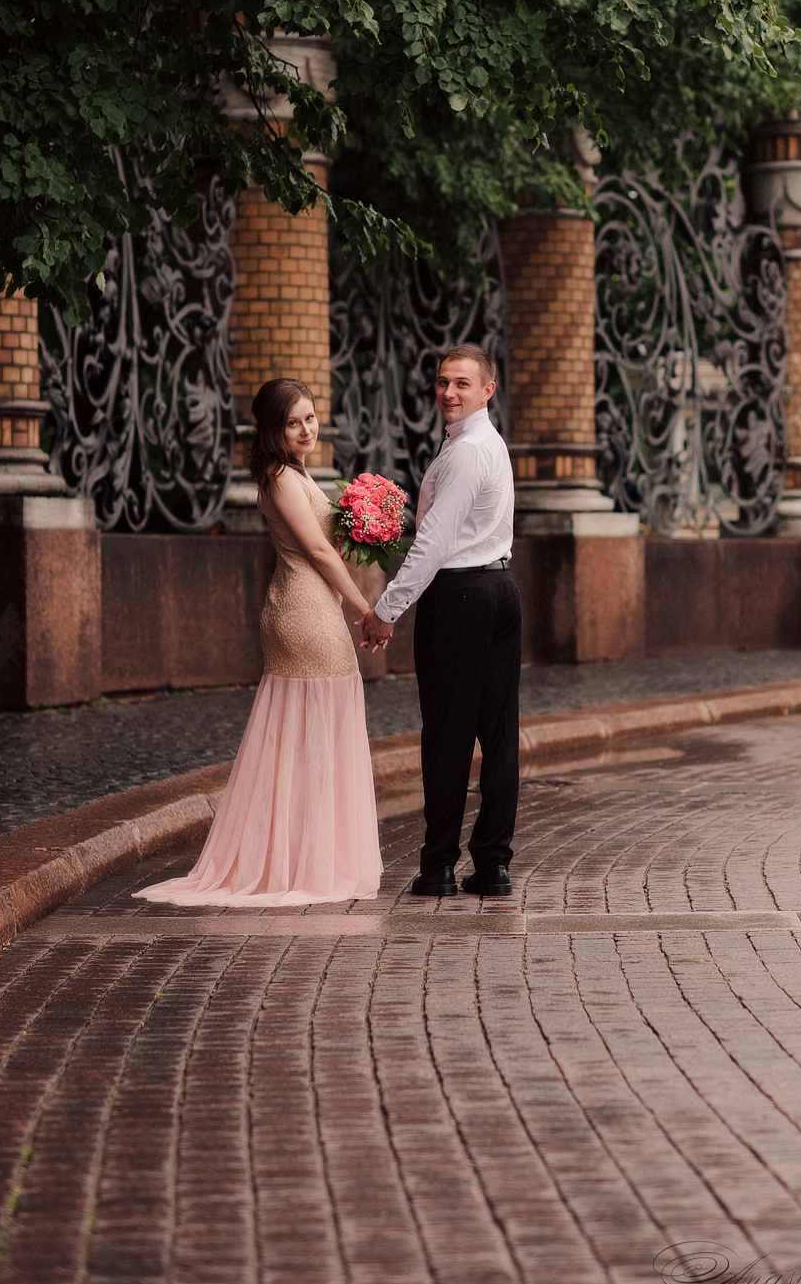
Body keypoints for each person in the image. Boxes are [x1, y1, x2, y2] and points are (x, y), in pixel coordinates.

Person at [136, 378, 382, 907]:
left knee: (308, 727)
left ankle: (304, 854)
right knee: (316, 723)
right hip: (305, 609)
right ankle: (303, 862)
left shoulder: (295, 474)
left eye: (310, 418)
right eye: (293, 422)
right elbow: (316, 551)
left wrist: (364, 523)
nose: (305, 429)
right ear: (272, 430)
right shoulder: (279, 477)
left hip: (308, 606)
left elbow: (326, 542)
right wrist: (368, 608)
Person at [362, 344, 519, 898]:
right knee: (498, 735)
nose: (448, 393)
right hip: (500, 589)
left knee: (449, 734)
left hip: (462, 596)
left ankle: (440, 869)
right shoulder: (489, 444)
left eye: (462, 384)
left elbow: (431, 542)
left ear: (487, 390)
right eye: (442, 382)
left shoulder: (466, 453)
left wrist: (386, 610)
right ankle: (494, 866)